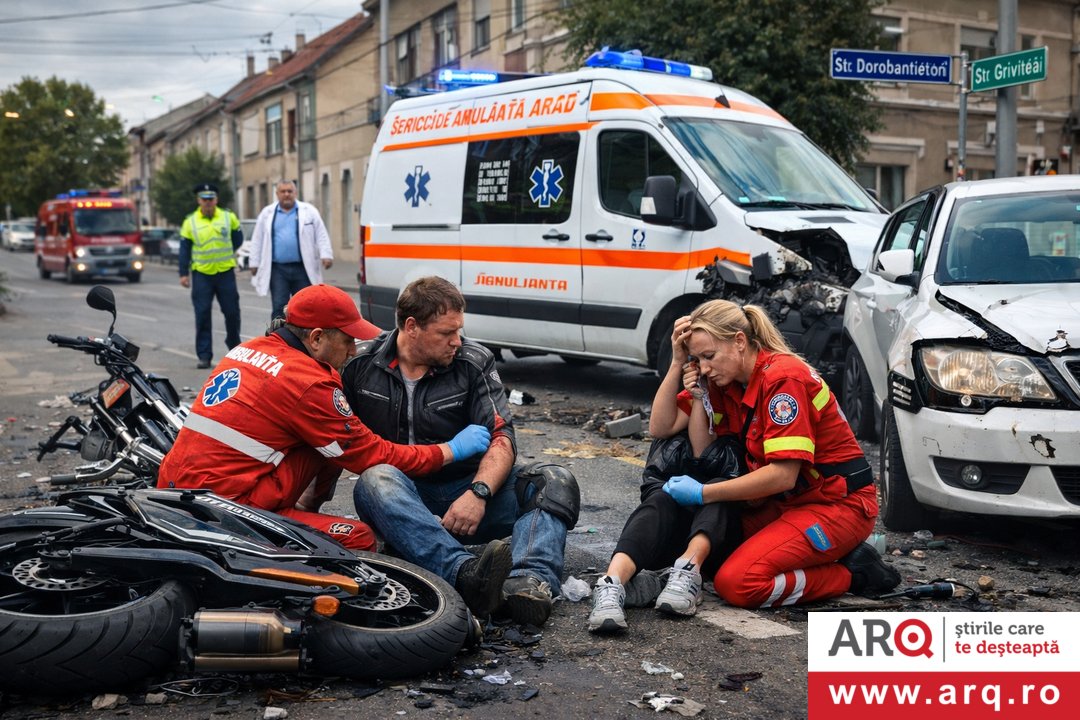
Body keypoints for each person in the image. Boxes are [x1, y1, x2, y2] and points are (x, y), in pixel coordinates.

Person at [590, 299, 900, 630]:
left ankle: (850, 573)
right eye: (698, 359)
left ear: (739, 341)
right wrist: (679, 366)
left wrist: (704, 493)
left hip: (835, 505)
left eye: (709, 356)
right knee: (707, 550)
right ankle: (616, 582)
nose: (704, 368)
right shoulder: (727, 382)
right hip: (782, 502)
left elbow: (782, 475)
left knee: (738, 583)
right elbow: (662, 428)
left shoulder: (784, 380)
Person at [157, 283, 492, 553]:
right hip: (228, 510)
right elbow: (371, 455)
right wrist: (449, 450)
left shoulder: (245, 350)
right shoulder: (309, 383)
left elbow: (327, 448)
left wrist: (309, 505)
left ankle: (301, 516)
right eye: (347, 340)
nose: (353, 351)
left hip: (173, 492)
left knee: (323, 442)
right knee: (358, 537)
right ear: (316, 338)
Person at [341, 276, 579, 623]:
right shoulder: (360, 365)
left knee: (552, 481)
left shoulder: (473, 360)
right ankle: (466, 576)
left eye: (459, 330)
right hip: (401, 502)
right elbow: (330, 439)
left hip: (466, 496)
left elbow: (501, 436)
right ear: (412, 327)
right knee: (376, 478)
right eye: (446, 333)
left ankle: (528, 585)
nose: (456, 340)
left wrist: (478, 493)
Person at [249, 180, 334, 322]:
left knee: (305, 306)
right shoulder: (267, 213)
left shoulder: (309, 211)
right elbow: (257, 239)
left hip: (302, 268)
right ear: (277, 194)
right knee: (279, 306)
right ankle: (278, 334)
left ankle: (304, 334)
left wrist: (326, 255)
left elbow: (321, 234)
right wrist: (254, 262)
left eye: (290, 191)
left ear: (295, 193)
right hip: (278, 270)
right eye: (283, 191)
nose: (286, 194)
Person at [179, 183, 243, 369]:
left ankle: (234, 347)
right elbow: (185, 250)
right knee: (202, 315)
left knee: (232, 313)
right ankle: (204, 355)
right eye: (204, 199)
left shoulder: (228, 217)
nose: (208, 202)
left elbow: (237, 239)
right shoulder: (190, 222)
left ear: (216, 200)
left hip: (225, 272)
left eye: (211, 199)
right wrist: (183, 273)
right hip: (202, 274)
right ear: (199, 201)